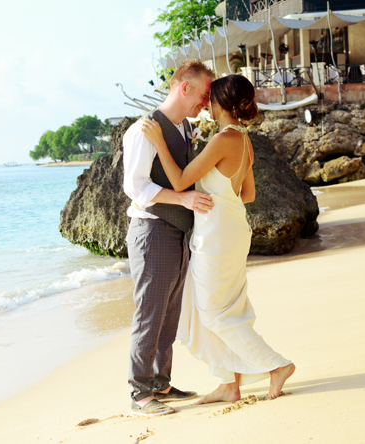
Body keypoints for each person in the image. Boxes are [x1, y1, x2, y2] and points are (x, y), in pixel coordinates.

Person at [139, 74, 295, 405]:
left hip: (217, 237)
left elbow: (180, 181)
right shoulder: (243, 139)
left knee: (214, 313)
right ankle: (228, 384)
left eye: (210, 98)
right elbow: (248, 193)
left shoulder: (223, 140)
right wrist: (219, 190)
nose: (205, 103)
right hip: (232, 230)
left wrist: (159, 143)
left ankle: (277, 365)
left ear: (219, 104)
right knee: (216, 308)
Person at [123, 60, 215, 417]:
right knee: (150, 312)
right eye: (204, 94)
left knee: (169, 312)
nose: (205, 103)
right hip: (152, 231)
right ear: (184, 87)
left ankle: (161, 383)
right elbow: (136, 186)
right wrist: (183, 199)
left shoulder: (183, 126)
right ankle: (139, 394)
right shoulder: (144, 129)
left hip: (176, 232)